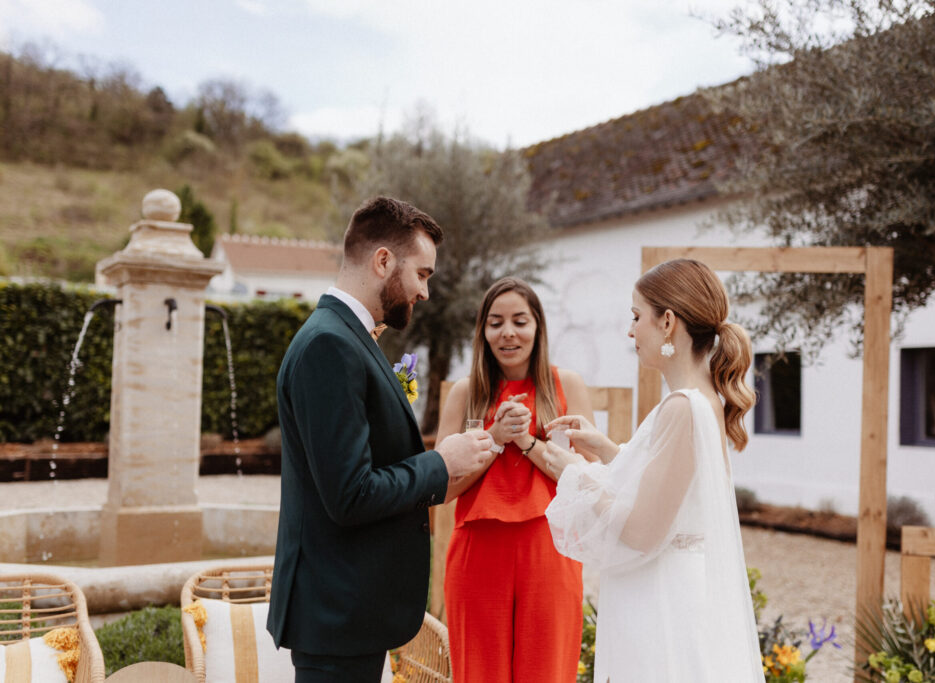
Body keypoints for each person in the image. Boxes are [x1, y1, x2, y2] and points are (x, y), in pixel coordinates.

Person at [267, 196, 494, 683]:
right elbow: (349, 495)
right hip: (335, 616)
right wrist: (441, 463)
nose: (425, 292)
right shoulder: (330, 344)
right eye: (423, 274)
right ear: (383, 261)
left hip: (349, 614)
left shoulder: (346, 337)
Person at [543, 258, 766, 682]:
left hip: (664, 603)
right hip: (668, 590)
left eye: (635, 316)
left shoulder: (683, 407)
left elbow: (643, 530)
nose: (630, 331)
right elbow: (672, 488)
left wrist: (575, 473)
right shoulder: (698, 400)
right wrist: (608, 450)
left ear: (667, 322)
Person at [435, 277, 594, 683]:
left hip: (550, 547)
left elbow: (589, 482)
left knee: (546, 669)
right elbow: (441, 489)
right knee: (480, 672)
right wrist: (494, 439)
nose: (508, 333)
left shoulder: (566, 385)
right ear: (483, 332)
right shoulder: (465, 393)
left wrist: (525, 441)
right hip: (478, 549)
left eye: (520, 321)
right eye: (495, 322)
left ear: (538, 326)